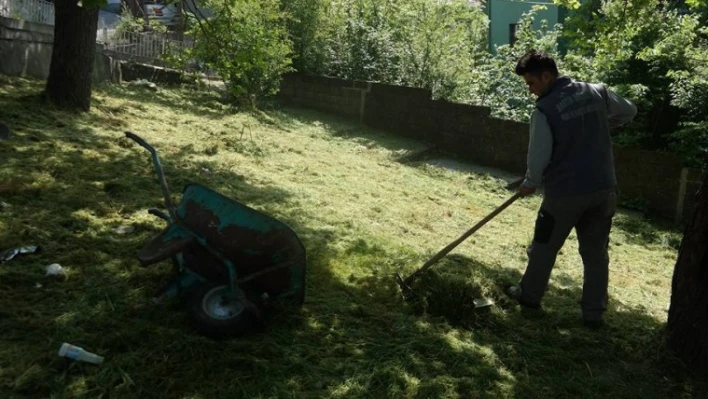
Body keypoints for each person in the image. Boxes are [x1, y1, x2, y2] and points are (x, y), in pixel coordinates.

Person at [506, 50, 637, 329]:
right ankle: (593, 314)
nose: (530, 91)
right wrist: (602, 125)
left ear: (546, 75)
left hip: (565, 194)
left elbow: (538, 156)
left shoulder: (544, 109)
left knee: (543, 247)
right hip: (603, 190)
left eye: (531, 83)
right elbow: (629, 111)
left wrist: (530, 182)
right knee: (596, 255)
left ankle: (529, 297)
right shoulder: (596, 92)